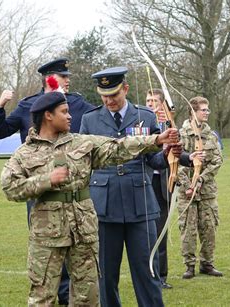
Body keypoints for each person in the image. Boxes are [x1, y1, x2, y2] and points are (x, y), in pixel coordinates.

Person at [0, 91, 178, 306]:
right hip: (48, 235)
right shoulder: (25, 153)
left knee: (87, 295)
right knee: (42, 295)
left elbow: (118, 147)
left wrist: (157, 139)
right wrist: (47, 180)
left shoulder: (82, 143)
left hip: (83, 232)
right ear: (48, 115)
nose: (69, 116)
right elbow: (10, 187)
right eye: (64, 112)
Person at [0, 57, 93, 305]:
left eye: (68, 76)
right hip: (40, 188)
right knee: (47, 246)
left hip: (73, 189)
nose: (68, 80)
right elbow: (0, 131)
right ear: (49, 78)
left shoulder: (78, 104)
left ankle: (69, 293)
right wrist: (0, 107)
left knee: (77, 242)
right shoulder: (28, 106)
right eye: (63, 76)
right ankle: (53, 290)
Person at [80, 67, 185, 307]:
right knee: (105, 274)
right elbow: (86, 160)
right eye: (104, 96)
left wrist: (167, 152)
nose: (109, 101)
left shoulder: (145, 116)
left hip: (141, 205)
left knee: (147, 271)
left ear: (125, 89)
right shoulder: (90, 119)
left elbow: (154, 160)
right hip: (104, 206)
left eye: (114, 95)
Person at [145, 88, 195, 290]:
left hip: (166, 184)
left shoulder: (170, 126)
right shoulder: (142, 124)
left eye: (154, 101)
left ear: (163, 105)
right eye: (148, 101)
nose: (150, 104)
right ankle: (149, 274)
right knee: (147, 234)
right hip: (147, 183)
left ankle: (161, 276)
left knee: (161, 233)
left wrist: (189, 158)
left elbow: (175, 152)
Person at [177, 96, 224, 279]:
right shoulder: (181, 135)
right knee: (188, 230)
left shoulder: (211, 136)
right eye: (203, 110)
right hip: (187, 193)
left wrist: (202, 179)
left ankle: (207, 263)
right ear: (193, 111)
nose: (206, 113)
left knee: (209, 227)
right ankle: (189, 265)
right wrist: (189, 184)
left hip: (207, 192)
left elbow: (218, 161)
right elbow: (176, 161)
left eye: (207, 110)